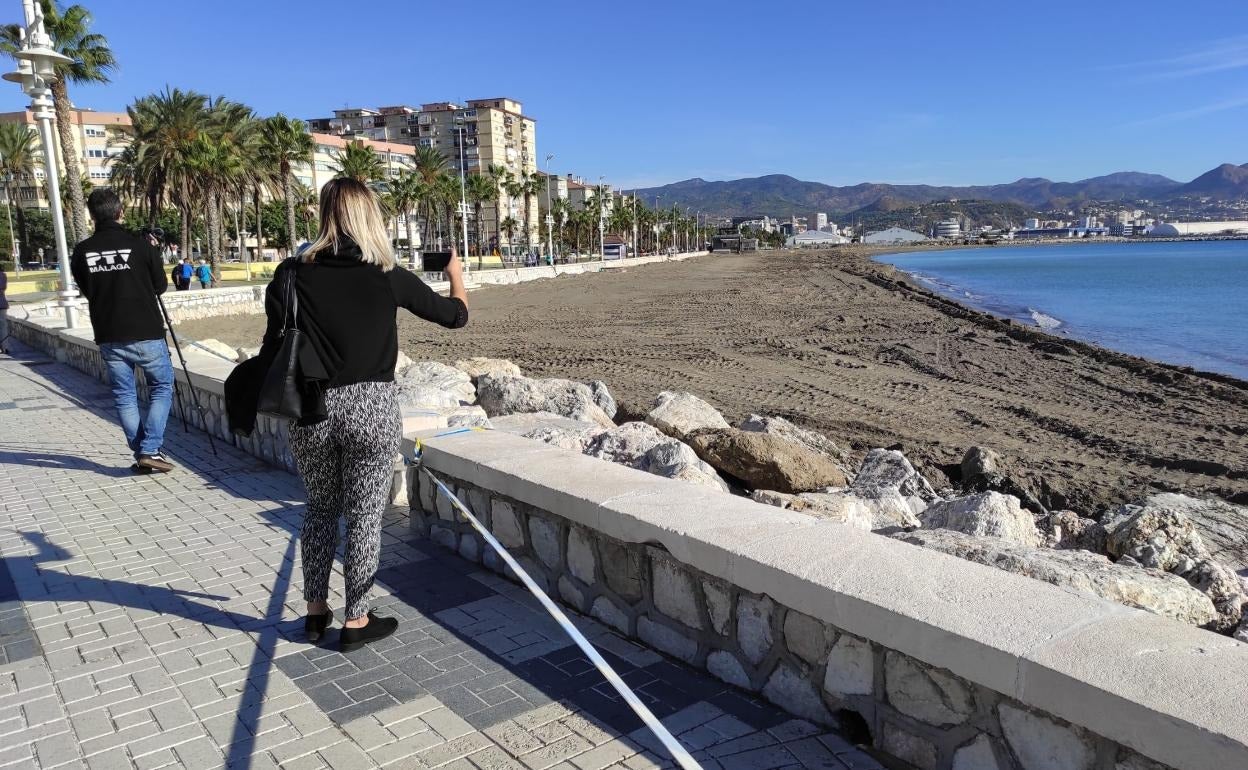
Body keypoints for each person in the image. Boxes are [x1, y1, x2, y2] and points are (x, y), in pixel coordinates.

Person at [256, 178, 468, 652]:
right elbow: (455, 316)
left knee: (319, 508)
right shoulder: (384, 273)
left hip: (310, 406)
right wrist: (455, 274)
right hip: (371, 406)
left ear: (324, 215)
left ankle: (314, 612)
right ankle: (357, 617)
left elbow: (274, 341)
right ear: (368, 216)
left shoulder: (289, 274)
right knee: (365, 516)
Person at [69, 189, 176, 473]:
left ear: (92, 216)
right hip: (147, 331)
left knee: (124, 395)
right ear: (120, 212)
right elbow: (160, 287)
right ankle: (150, 449)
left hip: (109, 332)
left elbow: (87, 290)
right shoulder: (141, 247)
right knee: (162, 387)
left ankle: (143, 451)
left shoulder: (82, 252)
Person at [0, 268, 9, 355]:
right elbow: (3, 289)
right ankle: (5, 347)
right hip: (2, 303)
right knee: (3, 326)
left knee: (3, 326)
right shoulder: (3, 275)